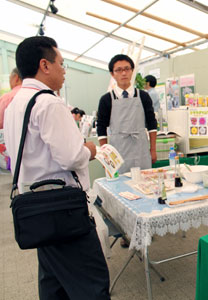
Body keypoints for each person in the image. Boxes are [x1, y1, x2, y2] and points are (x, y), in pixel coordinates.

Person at [4, 36, 110, 300]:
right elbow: (71, 157)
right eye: (62, 64)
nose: (64, 71)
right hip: (65, 211)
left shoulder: (16, 102)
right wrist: (92, 150)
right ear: (45, 65)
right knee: (91, 286)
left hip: (38, 208)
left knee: (54, 285)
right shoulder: (49, 102)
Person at [97, 54, 157, 173]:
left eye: (126, 69)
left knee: (144, 183)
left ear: (132, 71)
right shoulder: (106, 99)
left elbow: (152, 124)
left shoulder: (144, 96)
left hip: (141, 149)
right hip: (117, 151)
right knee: (119, 186)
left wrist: (153, 150)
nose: (123, 73)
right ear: (112, 74)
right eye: (118, 70)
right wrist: (105, 156)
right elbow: (101, 127)